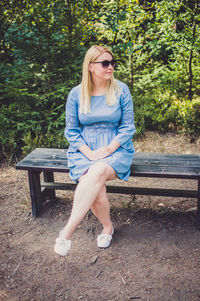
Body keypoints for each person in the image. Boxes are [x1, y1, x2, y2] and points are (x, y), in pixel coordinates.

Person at [54, 45, 136, 256]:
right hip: (83, 149)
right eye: (105, 63)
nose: (110, 67)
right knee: (95, 187)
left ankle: (66, 232)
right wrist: (88, 152)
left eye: (112, 62)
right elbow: (71, 131)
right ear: (90, 66)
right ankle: (108, 227)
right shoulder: (76, 94)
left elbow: (128, 127)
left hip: (116, 148)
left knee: (97, 170)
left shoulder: (120, 90)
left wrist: (109, 148)